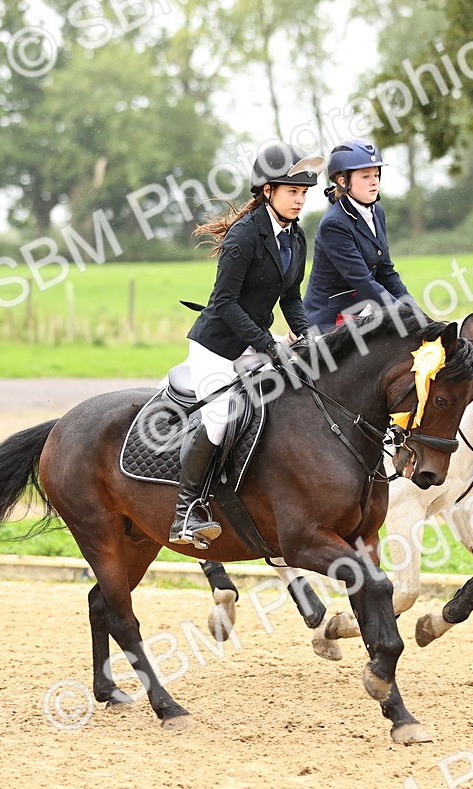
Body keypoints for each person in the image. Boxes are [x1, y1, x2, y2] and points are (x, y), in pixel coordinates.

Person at [170, 142, 325, 549]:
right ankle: (186, 510)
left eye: (304, 192)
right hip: (217, 347)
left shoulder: (295, 236)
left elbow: (291, 297)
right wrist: (269, 345)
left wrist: (304, 333)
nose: (300, 199)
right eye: (292, 191)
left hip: (256, 341)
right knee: (220, 416)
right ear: (268, 191)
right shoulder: (244, 235)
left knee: (297, 396)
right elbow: (224, 303)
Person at [303, 138, 414, 330]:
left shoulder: (377, 212)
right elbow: (364, 281)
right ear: (342, 181)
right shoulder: (334, 224)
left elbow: (386, 273)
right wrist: (407, 318)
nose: (374, 182)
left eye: (376, 175)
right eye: (365, 176)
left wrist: (418, 315)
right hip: (330, 321)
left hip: (364, 310)